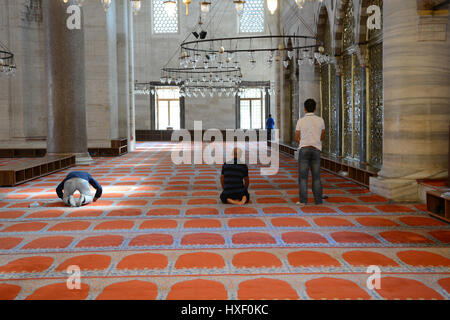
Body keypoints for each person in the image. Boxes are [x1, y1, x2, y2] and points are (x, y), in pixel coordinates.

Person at [295, 99, 325, 206]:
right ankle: (318, 201)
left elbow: (297, 137)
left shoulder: (301, 121)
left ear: (304, 108)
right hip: (316, 149)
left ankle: (303, 201)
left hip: (304, 149)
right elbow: (322, 137)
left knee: (303, 177)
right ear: (315, 108)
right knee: (316, 177)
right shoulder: (320, 120)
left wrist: (304, 141)